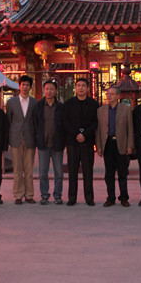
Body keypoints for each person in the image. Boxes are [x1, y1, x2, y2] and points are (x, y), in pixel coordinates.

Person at [96, 86, 135, 207]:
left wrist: (130, 145)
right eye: (108, 94)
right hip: (108, 144)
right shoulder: (101, 110)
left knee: (122, 173)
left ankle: (124, 198)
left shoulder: (126, 109)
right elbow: (98, 130)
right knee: (109, 174)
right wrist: (99, 146)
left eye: (112, 94)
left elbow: (130, 128)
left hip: (121, 143)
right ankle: (111, 197)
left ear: (118, 96)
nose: (109, 96)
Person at [63, 78, 98, 206]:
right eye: (78, 85)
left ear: (88, 88)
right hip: (72, 142)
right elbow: (65, 122)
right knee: (72, 172)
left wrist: (85, 134)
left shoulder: (93, 104)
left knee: (88, 172)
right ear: (75, 88)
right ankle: (72, 198)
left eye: (83, 86)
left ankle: (89, 198)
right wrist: (76, 134)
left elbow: (95, 122)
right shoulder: (69, 104)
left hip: (87, 142)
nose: (81, 88)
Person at [6, 75, 37, 205]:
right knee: (17, 170)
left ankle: (29, 195)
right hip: (16, 138)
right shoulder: (11, 102)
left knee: (29, 170)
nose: (25, 87)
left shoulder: (35, 103)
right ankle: (18, 195)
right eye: (23, 85)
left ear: (30, 87)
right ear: (19, 86)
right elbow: (8, 121)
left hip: (30, 139)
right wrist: (8, 139)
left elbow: (36, 122)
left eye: (27, 85)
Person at [34, 80, 65, 205]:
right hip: (43, 144)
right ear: (44, 90)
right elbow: (35, 124)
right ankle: (44, 195)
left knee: (59, 173)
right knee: (43, 173)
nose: (49, 91)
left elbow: (64, 125)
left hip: (57, 144)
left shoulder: (61, 107)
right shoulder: (38, 106)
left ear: (56, 91)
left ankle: (58, 195)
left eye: (51, 89)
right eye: (47, 89)